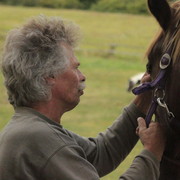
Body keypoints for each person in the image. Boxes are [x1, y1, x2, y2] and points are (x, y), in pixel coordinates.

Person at [0, 15, 165, 180]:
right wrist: (151, 153)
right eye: (75, 68)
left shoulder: (29, 130)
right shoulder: (37, 137)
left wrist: (141, 102)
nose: (82, 76)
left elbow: (100, 155)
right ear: (49, 75)